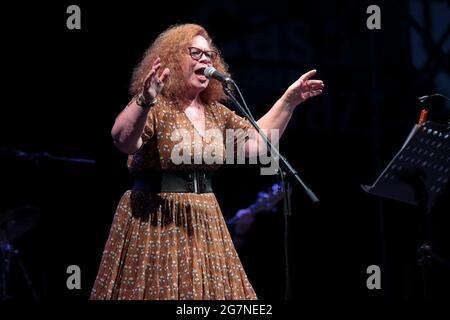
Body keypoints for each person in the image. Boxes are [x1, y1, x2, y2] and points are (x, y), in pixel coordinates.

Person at [90, 23, 324, 300]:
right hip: (155, 217)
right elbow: (123, 140)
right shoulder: (158, 105)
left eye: (209, 55)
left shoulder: (216, 113)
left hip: (204, 218)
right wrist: (144, 99)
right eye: (195, 53)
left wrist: (289, 101)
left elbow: (256, 144)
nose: (205, 60)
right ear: (174, 59)